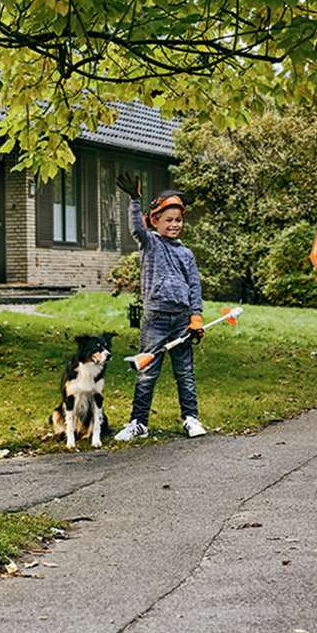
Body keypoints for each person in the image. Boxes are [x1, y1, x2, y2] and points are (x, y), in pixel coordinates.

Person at [114, 184, 207, 441]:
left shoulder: (186, 254)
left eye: (178, 220)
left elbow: (194, 288)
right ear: (155, 221)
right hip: (155, 320)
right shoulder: (150, 243)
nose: (175, 224)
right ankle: (139, 423)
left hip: (181, 321)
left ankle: (191, 419)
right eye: (169, 220)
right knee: (147, 372)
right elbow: (136, 228)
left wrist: (195, 319)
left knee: (185, 372)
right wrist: (135, 199)